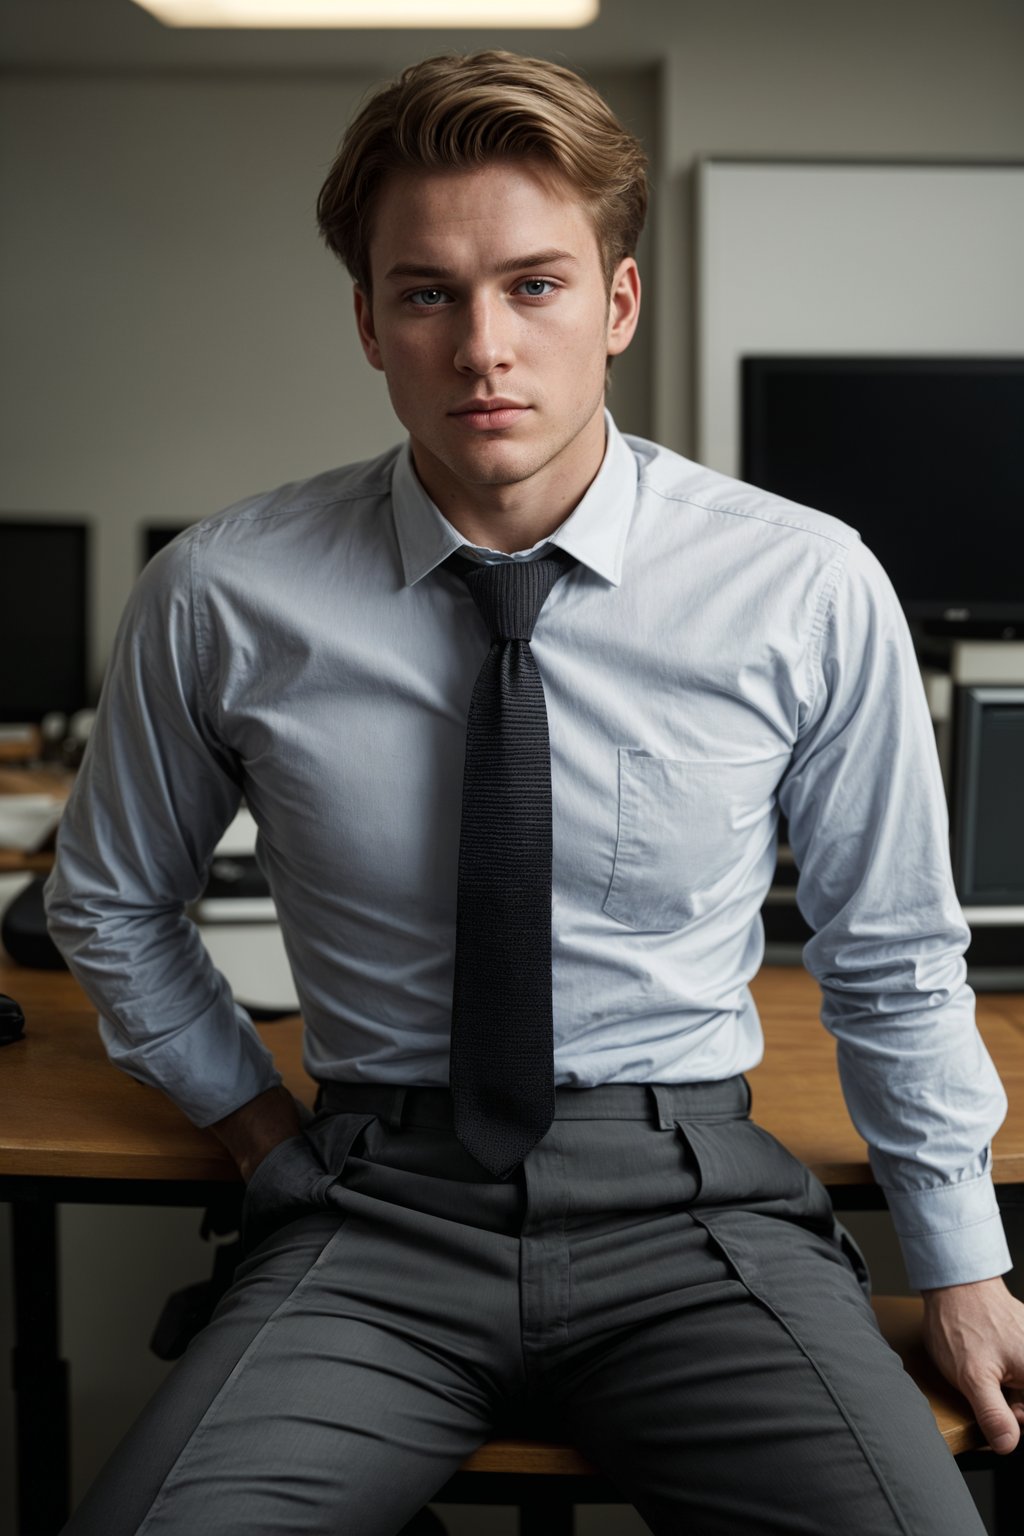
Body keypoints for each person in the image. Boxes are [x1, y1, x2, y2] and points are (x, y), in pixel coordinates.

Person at [46, 48, 1023, 1536]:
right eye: (428, 293)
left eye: (536, 286)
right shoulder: (224, 593)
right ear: (369, 322)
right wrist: (253, 1127)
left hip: (696, 1213)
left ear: (617, 306)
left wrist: (960, 1265)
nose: (483, 347)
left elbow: (889, 946)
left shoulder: (801, 582)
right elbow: (109, 903)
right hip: (372, 1211)